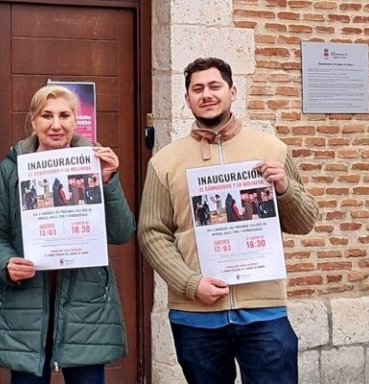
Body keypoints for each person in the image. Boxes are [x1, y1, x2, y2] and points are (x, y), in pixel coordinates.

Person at [137, 57, 319, 384]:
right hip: (197, 315)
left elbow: (304, 222)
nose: (206, 94)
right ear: (187, 99)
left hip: (264, 311)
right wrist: (191, 284)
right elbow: (152, 234)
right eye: (198, 89)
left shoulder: (271, 149)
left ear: (232, 91)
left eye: (214, 86)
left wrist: (284, 188)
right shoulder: (164, 161)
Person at [0, 85, 136, 383]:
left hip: (86, 308)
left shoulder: (93, 164)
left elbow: (122, 231)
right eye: (46, 115)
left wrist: (109, 181)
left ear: (76, 120)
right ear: (33, 121)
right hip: (25, 304)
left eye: (64, 115)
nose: (56, 124)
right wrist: (7, 263)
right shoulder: (11, 169)